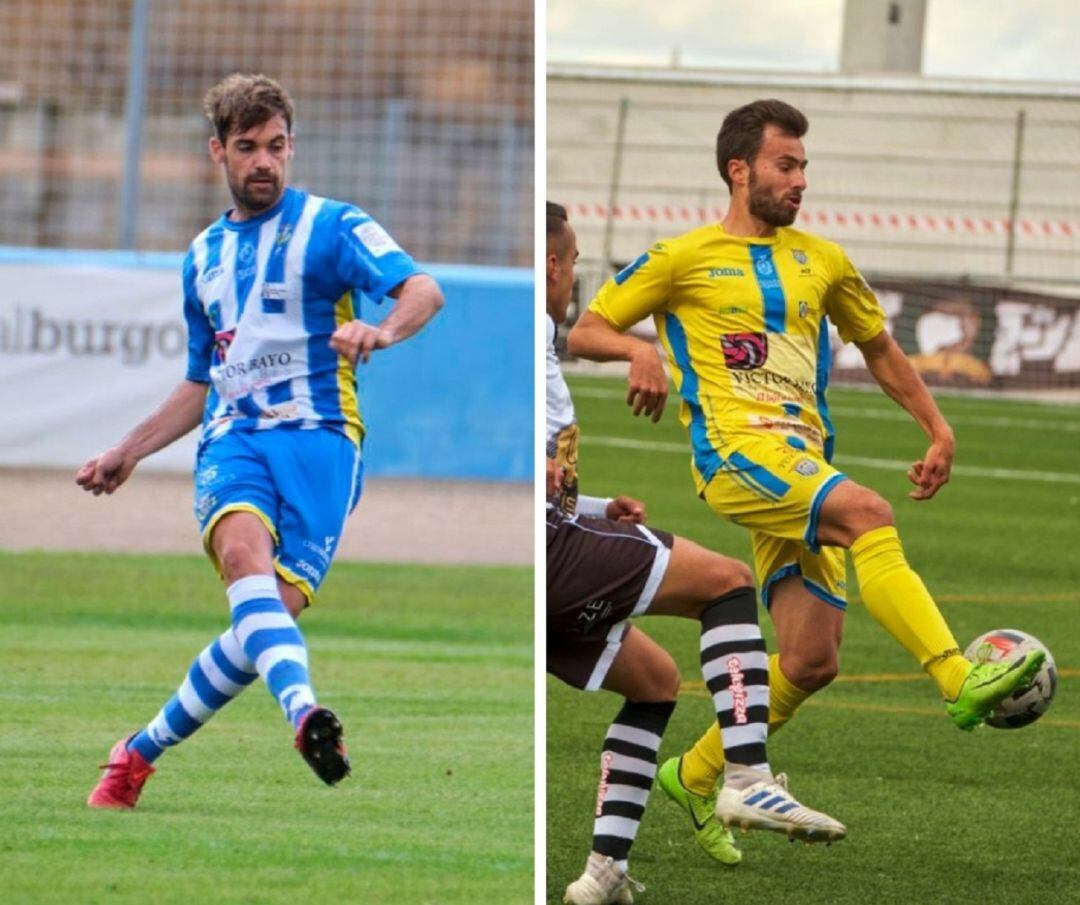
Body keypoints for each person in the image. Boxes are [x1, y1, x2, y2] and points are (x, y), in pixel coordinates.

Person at [566, 98, 1045, 864]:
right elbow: (587, 327)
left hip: (802, 461)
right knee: (867, 510)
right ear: (739, 169)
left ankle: (694, 775)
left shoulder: (822, 260)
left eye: (803, 167)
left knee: (813, 659)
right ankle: (957, 677)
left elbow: (880, 346)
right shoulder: (681, 257)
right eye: (786, 165)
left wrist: (938, 427)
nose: (800, 180)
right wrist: (639, 352)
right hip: (737, 454)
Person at [79, 73, 444, 808]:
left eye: (276, 146)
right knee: (242, 556)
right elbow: (198, 380)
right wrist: (130, 448)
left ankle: (136, 753)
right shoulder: (202, 257)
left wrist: (381, 328)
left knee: (261, 624)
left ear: (291, 147)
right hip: (236, 437)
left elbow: (423, 290)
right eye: (247, 147)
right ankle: (305, 713)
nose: (264, 162)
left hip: (323, 445)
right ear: (219, 151)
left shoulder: (334, 227)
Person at [547, 201, 844, 905]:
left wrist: (592, 507)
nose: (574, 281)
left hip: (552, 540)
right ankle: (745, 776)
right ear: (554, 265)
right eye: (573, 262)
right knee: (726, 582)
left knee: (653, 680)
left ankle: (604, 872)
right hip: (546, 553)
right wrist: (638, 347)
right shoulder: (528, 336)